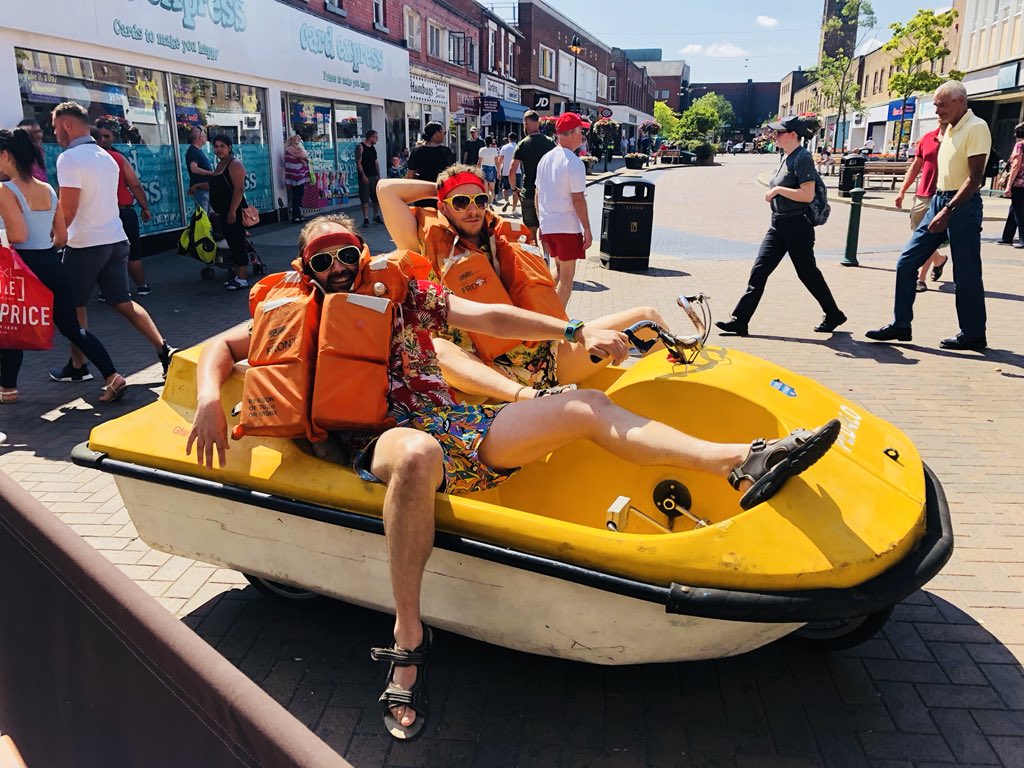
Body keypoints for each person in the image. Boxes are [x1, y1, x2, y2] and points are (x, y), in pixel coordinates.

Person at [185, 213, 842, 742]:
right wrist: (212, 397)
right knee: (415, 455)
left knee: (585, 406)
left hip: (456, 425)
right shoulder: (293, 310)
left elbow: (489, 320)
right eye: (321, 261)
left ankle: (743, 460)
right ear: (306, 268)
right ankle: (408, 641)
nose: (336, 268)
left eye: (344, 254)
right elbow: (223, 347)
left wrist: (573, 324)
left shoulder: (406, 295)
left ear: (363, 252)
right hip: (371, 441)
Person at [377, 166, 667, 404]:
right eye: (461, 203)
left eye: (479, 200)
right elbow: (386, 190)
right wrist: (446, 186)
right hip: (489, 378)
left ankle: (673, 405)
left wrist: (464, 189)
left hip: (550, 359)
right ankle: (530, 399)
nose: (472, 210)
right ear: (443, 207)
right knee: (436, 348)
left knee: (647, 317)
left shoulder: (503, 237)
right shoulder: (423, 246)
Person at [47, 102, 173, 383]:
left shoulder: (69, 159)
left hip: (85, 244)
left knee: (73, 306)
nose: (54, 133)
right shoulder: (106, 156)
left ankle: (79, 366)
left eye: (55, 127)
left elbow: (68, 211)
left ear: (67, 125)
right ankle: (164, 349)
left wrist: (52, 242)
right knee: (123, 302)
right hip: (116, 239)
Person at [0, 128, 126, 403]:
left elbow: (18, 235)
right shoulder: (46, 189)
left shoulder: (5, 190)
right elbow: (62, 237)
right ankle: (112, 376)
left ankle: (7, 389)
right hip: (51, 263)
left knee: (10, 326)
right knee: (71, 326)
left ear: (6, 155)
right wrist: (45, 252)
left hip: (23, 268)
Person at [866, 81, 991, 351]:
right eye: (935, 104)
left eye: (942, 104)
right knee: (906, 262)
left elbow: (976, 178)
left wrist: (948, 210)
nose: (937, 109)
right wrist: (935, 202)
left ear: (961, 102)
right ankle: (901, 325)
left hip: (962, 204)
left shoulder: (976, 128)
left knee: (967, 272)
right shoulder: (947, 130)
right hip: (939, 198)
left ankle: (973, 333)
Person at [716, 115, 846, 337]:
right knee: (760, 270)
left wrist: (777, 191)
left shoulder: (802, 158)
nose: (774, 136)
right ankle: (740, 320)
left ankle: (833, 313)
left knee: (807, 273)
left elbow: (807, 195)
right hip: (778, 224)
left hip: (797, 226)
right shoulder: (787, 157)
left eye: (779, 132)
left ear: (793, 135)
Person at [536, 113, 592, 307]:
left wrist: (540, 220)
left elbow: (537, 193)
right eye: (581, 131)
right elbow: (578, 199)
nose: (583, 136)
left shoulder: (545, 159)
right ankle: (556, 325)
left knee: (559, 272)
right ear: (574, 132)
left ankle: (539, 306)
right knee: (567, 279)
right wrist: (587, 228)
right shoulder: (574, 162)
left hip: (548, 224)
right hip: (566, 227)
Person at [95, 120, 153, 295]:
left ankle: (111, 291)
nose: (103, 140)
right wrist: (145, 207)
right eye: (100, 136)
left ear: (113, 138)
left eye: (107, 136)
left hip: (108, 213)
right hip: (116, 211)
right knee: (129, 251)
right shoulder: (118, 158)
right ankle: (140, 286)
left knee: (109, 253)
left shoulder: (84, 159)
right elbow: (134, 184)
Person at [894, 121, 949, 293]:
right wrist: (902, 190)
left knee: (927, 238)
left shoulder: (956, 138)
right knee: (918, 236)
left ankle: (921, 278)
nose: (940, 115)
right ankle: (938, 259)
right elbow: (916, 166)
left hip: (943, 195)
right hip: (923, 195)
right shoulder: (927, 138)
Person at [194, 134, 251, 291]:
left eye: (222, 146)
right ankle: (236, 275)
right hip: (222, 212)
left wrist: (233, 211)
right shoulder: (220, 165)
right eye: (216, 146)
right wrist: (198, 186)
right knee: (231, 244)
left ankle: (242, 278)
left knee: (237, 243)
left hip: (233, 211)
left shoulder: (234, 164)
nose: (219, 149)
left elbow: (239, 189)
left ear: (229, 147)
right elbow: (214, 184)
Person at [508, 111, 556, 243]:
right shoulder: (550, 143)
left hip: (529, 191)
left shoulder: (523, 144)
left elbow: (512, 170)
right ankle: (546, 259)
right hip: (548, 194)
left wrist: (514, 190)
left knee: (531, 232)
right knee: (546, 230)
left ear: (525, 124)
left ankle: (535, 257)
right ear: (538, 123)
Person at [999, 122, 1024, 248]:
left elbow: (1015, 166)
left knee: (1019, 211)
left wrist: (1008, 186)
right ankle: (1007, 237)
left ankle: (1023, 239)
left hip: (1019, 183)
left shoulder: (1020, 145)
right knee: (1014, 209)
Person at [354, 129, 383, 228]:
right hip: (365, 177)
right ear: (371, 137)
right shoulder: (360, 147)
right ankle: (365, 218)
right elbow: (358, 162)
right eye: (376, 137)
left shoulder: (373, 148)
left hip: (374, 176)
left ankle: (376, 215)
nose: (377, 139)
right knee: (365, 198)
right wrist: (363, 175)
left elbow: (376, 162)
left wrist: (378, 176)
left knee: (376, 198)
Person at [283, 133, 310, 224]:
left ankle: (298, 214)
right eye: (297, 140)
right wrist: (300, 147)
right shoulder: (292, 149)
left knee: (298, 195)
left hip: (295, 175)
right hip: (296, 176)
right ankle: (296, 215)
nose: (298, 142)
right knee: (297, 196)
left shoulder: (291, 149)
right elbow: (305, 154)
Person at [185, 126, 212, 213]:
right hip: (200, 190)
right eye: (204, 135)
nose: (206, 138)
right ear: (200, 137)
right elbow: (194, 169)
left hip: (205, 188)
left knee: (210, 215)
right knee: (203, 216)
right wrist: (210, 173)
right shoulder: (193, 151)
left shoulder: (197, 151)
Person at [16, 119, 48, 183]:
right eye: (33, 132)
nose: (38, 135)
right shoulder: (17, 158)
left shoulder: (46, 153)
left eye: (39, 131)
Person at [497, 132, 521, 213]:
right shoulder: (519, 147)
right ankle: (514, 209)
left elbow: (500, 160)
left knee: (504, 188)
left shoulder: (504, 147)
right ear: (516, 139)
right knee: (516, 190)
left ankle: (506, 201)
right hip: (517, 171)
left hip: (506, 171)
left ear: (508, 138)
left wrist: (498, 171)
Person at [476, 135, 500, 204]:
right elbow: (497, 162)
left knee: (485, 189)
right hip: (492, 169)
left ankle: (487, 205)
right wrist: (498, 171)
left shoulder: (481, 150)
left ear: (484, 141)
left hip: (484, 168)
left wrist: (476, 172)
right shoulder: (494, 150)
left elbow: (479, 162)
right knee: (492, 189)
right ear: (491, 142)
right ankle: (491, 202)